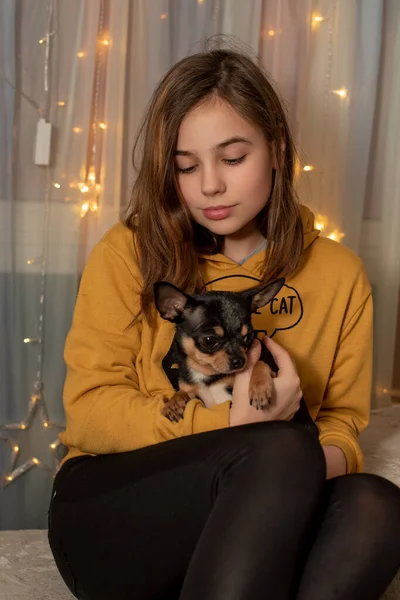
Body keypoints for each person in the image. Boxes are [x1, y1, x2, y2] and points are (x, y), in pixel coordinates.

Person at [48, 45, 400, 600]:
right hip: (112, 506)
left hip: (263, 498)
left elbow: (340, 425)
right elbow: (89, 411)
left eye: (233, 158)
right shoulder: (127, 253)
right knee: (279, 446)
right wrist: (238, 430)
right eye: (186, 166)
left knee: (376, 505)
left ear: (278, 150)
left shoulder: (340, 274)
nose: (208, 185)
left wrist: (291, 472)